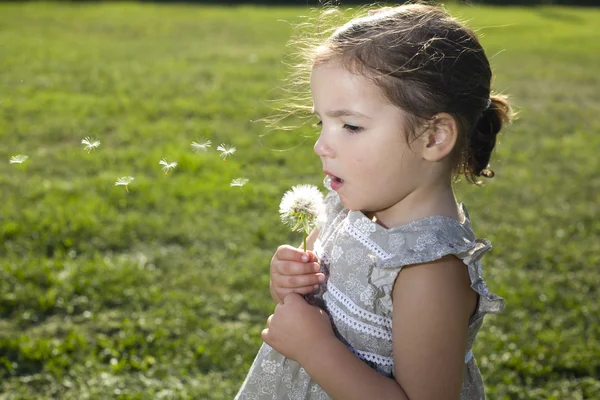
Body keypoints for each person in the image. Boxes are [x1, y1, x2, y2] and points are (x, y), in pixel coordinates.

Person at [236, 4, 512, 399]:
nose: (320, 146)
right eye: (322, 122)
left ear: (433, 138)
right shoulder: (344, 207)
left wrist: (315, 350)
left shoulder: (429, 271)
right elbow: (312, 307)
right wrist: (289, 285)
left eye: (350, 125)